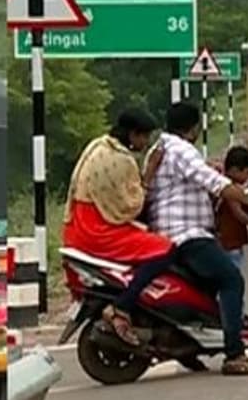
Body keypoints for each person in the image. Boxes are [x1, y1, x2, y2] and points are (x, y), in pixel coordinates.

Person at [144, 102, 248, 376]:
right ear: (193, 128)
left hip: (172, 233)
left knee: (205, 289)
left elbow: (203, 175)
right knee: (231, 279)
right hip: (186, 234)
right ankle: (234, 354)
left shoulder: (161, 148)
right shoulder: (181, 150)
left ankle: (191, 346)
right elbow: (215, 184)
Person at [62, 110, 174, 346]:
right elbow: (131, 205)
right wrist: (149, 174)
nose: (145, 144)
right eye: (144, 138)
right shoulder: (122, 160)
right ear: (133, 135)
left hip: (78, 225)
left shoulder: (99, 145)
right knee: (164, 249)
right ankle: (122, 306)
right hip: (96, 230)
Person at [215, 146, 248, 328]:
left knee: (235, 282)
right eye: (247, 172)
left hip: (231, 242)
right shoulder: (229, 189)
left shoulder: (226, 185)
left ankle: (238, 314)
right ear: (235, 170)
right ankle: (234, 318)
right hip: (228, 243)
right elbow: (238, 213)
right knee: (233, 283)